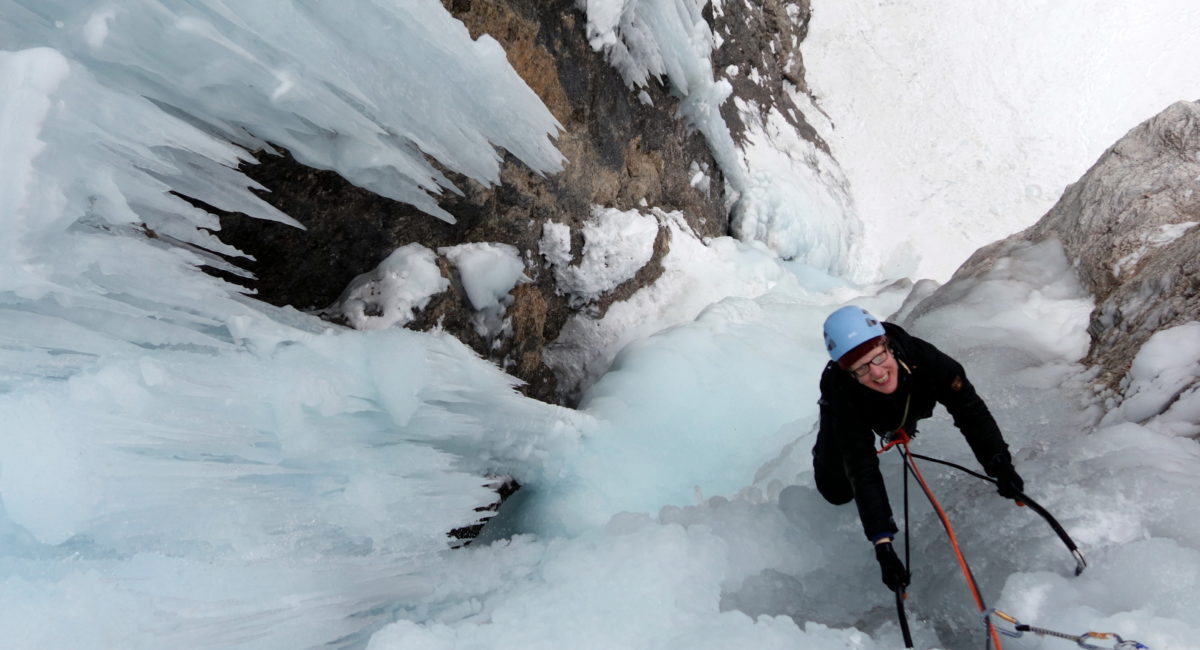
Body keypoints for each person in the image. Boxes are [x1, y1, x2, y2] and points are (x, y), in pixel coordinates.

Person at [812, 305, 1024, 593]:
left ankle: (897, 422)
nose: (876, 372)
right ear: (849, 372)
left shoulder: (928, 361)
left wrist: (1000, 465)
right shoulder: (843, 391)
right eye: (862, 368)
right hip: (850, 410)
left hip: (909, 396)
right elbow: (862, 466)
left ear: (888, 345)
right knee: (835, 490)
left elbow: (971, 413)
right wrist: (882, 542)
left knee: (905, 407)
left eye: (879, 357)